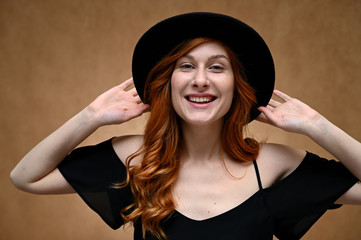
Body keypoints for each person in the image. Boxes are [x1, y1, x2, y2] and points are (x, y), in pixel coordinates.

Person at [10, 12, 361, 240]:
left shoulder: (272, 165)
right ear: (168, 83)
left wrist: (317, 125)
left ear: (237, 86)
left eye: (217, 67)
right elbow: (26, 177)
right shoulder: (137, 159)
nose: (201, 80)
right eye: (186, 66)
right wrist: (90, 116)